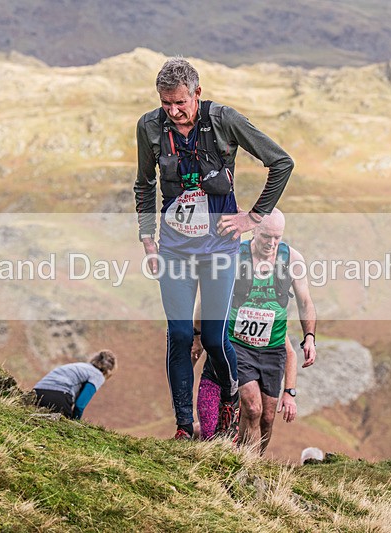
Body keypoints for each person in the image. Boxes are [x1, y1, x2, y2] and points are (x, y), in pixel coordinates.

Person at [134, 57, 294, 440]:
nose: (173, 111)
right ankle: (183, 426)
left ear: (197, 94)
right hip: (174, 249)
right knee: (178, 336)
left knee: (213, 338)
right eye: (165, 103)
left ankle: (228, 397)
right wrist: (147, 237)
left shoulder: (224, 120)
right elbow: (144, 183)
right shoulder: (149, 127)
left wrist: (252, 218)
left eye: (180, 103)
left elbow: (281, 163)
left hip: (220, 248)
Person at [198, 209, 317, 453]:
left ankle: (254, 463)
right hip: (237, 344)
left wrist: (309, 337)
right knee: (252, 408)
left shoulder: (292, 260)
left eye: (277, 237)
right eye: (266, 236)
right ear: (254, 231)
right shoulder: (234, 255)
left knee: (267, 417)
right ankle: (244, 464)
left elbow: (305, 301)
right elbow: (207, 295)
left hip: (273, 349)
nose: (271, 243)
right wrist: (197, 333)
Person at [33, 350, 117, 420]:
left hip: (37, 392)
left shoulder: (80, 366)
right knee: (64, 428)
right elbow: (80, 405)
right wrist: (75, 422)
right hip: (59, 396)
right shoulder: (97, 375)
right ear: (109, 370)